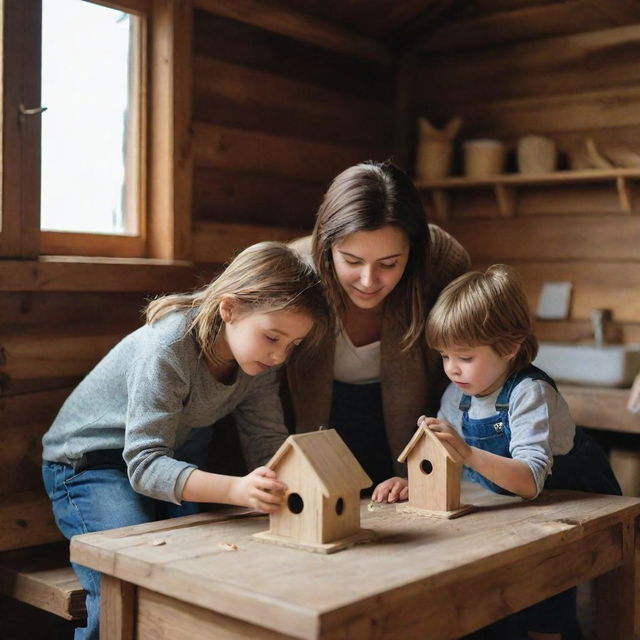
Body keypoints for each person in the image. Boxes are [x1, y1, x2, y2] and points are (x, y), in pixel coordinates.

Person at [42, 241, 329, 640]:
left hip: (171, 455)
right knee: (125, 576)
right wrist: (238, 489)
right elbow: (143, 466)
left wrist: (293, 485)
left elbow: (267, 442)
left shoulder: (260, 364)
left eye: (292, 345)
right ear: (229, 309)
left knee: (205, 566)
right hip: (90, 464)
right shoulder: (168, 347)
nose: (280, 356)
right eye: (272, 337)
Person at [374, 264, 620, 640]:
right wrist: (411, 482)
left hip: (570, 497)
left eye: (465, 358)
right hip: (512, 502)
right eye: (444, 356)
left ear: (509, 347)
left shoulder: (528, 392)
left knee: (546, 601)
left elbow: (531, 480)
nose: (452, 369)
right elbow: (444, 460)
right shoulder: (456, 394)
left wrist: (467, 453)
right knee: (496, 597)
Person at [286, 159, 470, 487]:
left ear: (412, 253)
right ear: (327, 248)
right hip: (314, 428)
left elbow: (462, 377)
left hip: (411, 430)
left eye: (389, 263)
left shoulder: (440, 262)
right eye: (352, 261)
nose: (369, 281)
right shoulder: (295, 269)